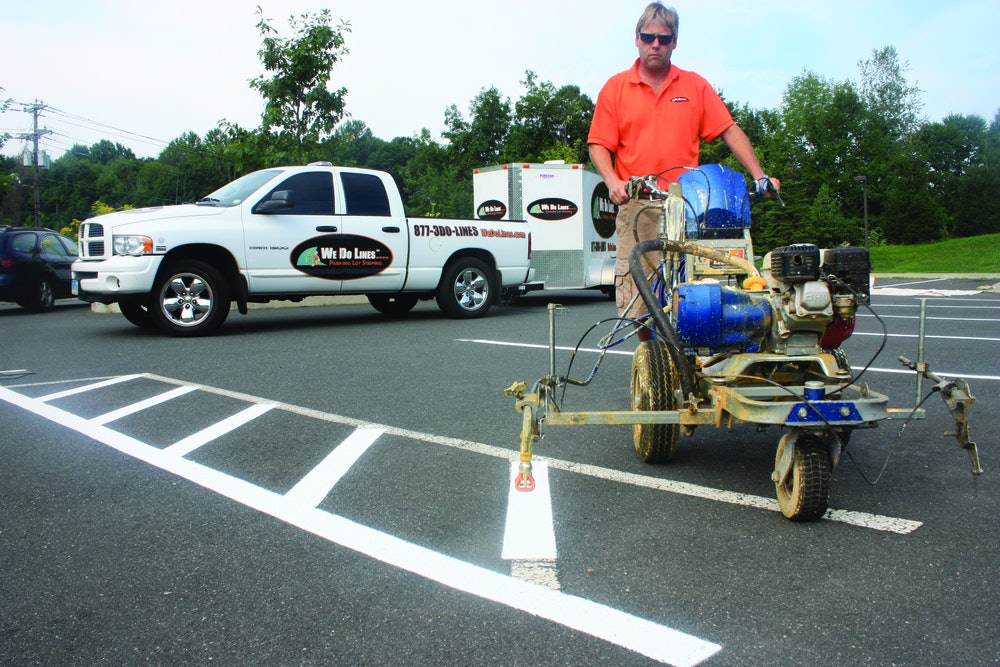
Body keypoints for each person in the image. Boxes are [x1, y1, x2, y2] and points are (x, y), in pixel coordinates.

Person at [588, 2, 778, 340]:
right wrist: (613, 180)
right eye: (648, 37)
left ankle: (691, 360)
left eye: (664, 38)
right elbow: (598, 144)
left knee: (697, 284)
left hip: (690, 207)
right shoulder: (616, 88)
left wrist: (759, 175)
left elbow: (729, 130)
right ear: (636, 39)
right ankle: (651, 361)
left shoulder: (694, 86)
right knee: (639, 296)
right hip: (639, 206)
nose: (655, 44)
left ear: (675, 41)